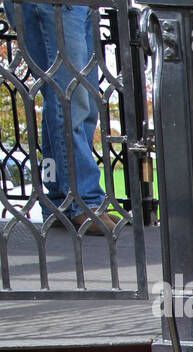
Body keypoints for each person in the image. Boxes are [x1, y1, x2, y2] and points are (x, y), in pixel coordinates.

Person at [6, 1, 119, 234]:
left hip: (79, 6)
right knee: (68, 101)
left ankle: (60, 202)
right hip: (52, 5)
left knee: (75, 102)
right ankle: (82, 203)